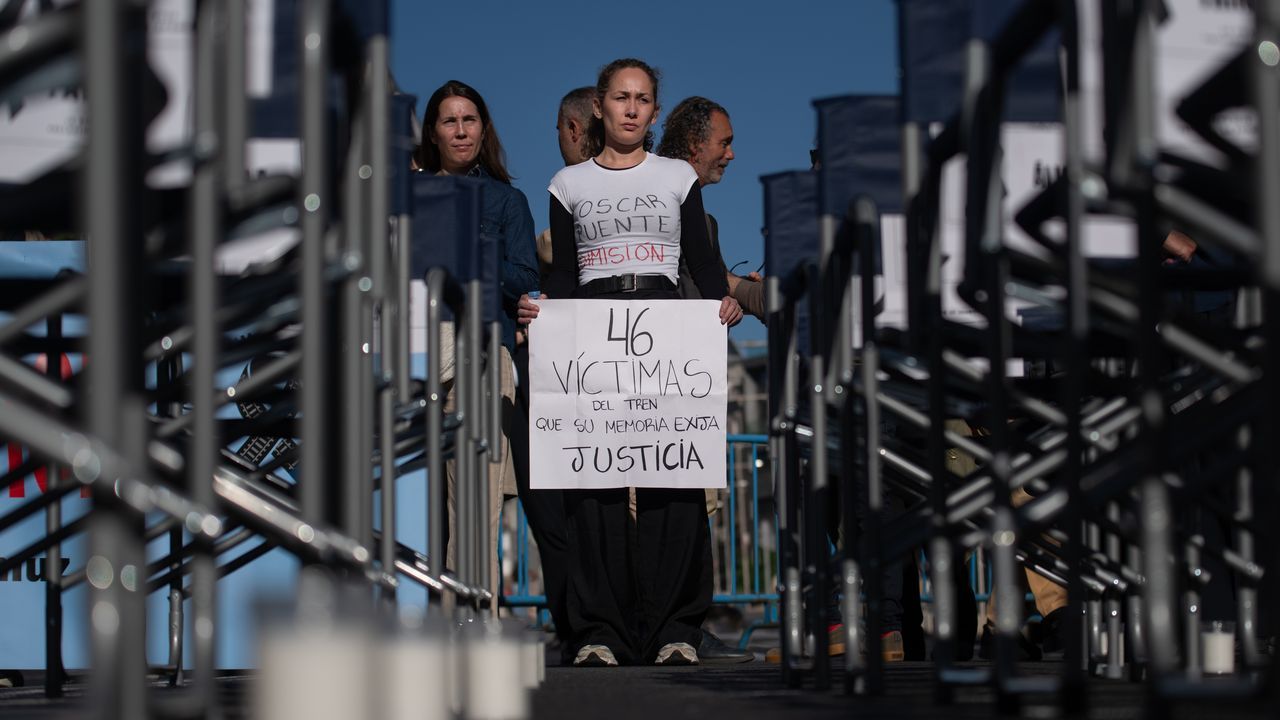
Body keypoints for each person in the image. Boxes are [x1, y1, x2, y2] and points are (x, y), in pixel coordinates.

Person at [518, 58, 742, 667]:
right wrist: (542, 313)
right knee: (595, 489)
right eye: (621, 97)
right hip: (591, 324)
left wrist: (726, 299)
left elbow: (700, 258)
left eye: (644, 99)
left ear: (654, 109)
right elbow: (563, 273)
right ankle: (600, 633)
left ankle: (675, 629)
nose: (632, 108)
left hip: (667, 323)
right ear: (600, 105)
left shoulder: (677, 177)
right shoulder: (568, 186)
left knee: (675, 486)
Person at [416, 80, 539, 604]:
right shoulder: (407, 194)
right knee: (410, 498)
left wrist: (470, 250)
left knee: (472, 499)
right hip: (414, 345)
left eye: (469, 120)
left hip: (481, 347)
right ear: (434, 132)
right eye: (450, 120)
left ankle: (468, 619)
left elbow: (525, 274)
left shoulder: (506, 200)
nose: (461, 130)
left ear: (483, 129)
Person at [656, 96, 765, 321]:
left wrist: (737, 295)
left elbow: (697, 287)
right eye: (724, 143)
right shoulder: (656, 206)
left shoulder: (706, 223)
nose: (731, 154)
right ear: (695, 143)